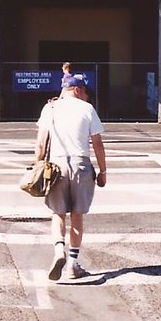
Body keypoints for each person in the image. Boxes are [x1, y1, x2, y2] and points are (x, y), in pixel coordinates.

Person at [34, 73, 106, 281]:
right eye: (85, 90)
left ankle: (58, 251)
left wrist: (38, 167)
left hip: (56, 165)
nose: (86, 95)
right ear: (77, 89)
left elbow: (40, 144)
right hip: (81, 164)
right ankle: (73, 264)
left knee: (57, 213)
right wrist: (103, 171)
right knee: (76, 214)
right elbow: (98, 144)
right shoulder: (87, 109)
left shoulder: (50, 108)